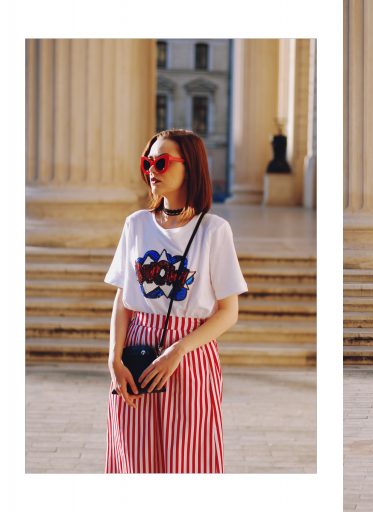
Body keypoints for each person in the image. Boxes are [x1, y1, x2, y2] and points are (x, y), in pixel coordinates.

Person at [104, 129, 248, 472]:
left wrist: (178, 350)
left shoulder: (214, 230)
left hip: (191, 358)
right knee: (135, 461)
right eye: (148, 162)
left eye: (162, 162)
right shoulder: (136, 224)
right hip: (135, 355)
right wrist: (113, 359)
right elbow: (124, 300)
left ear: (191, 167)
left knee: (189, 462)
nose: (152, 169)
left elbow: (228, 313)